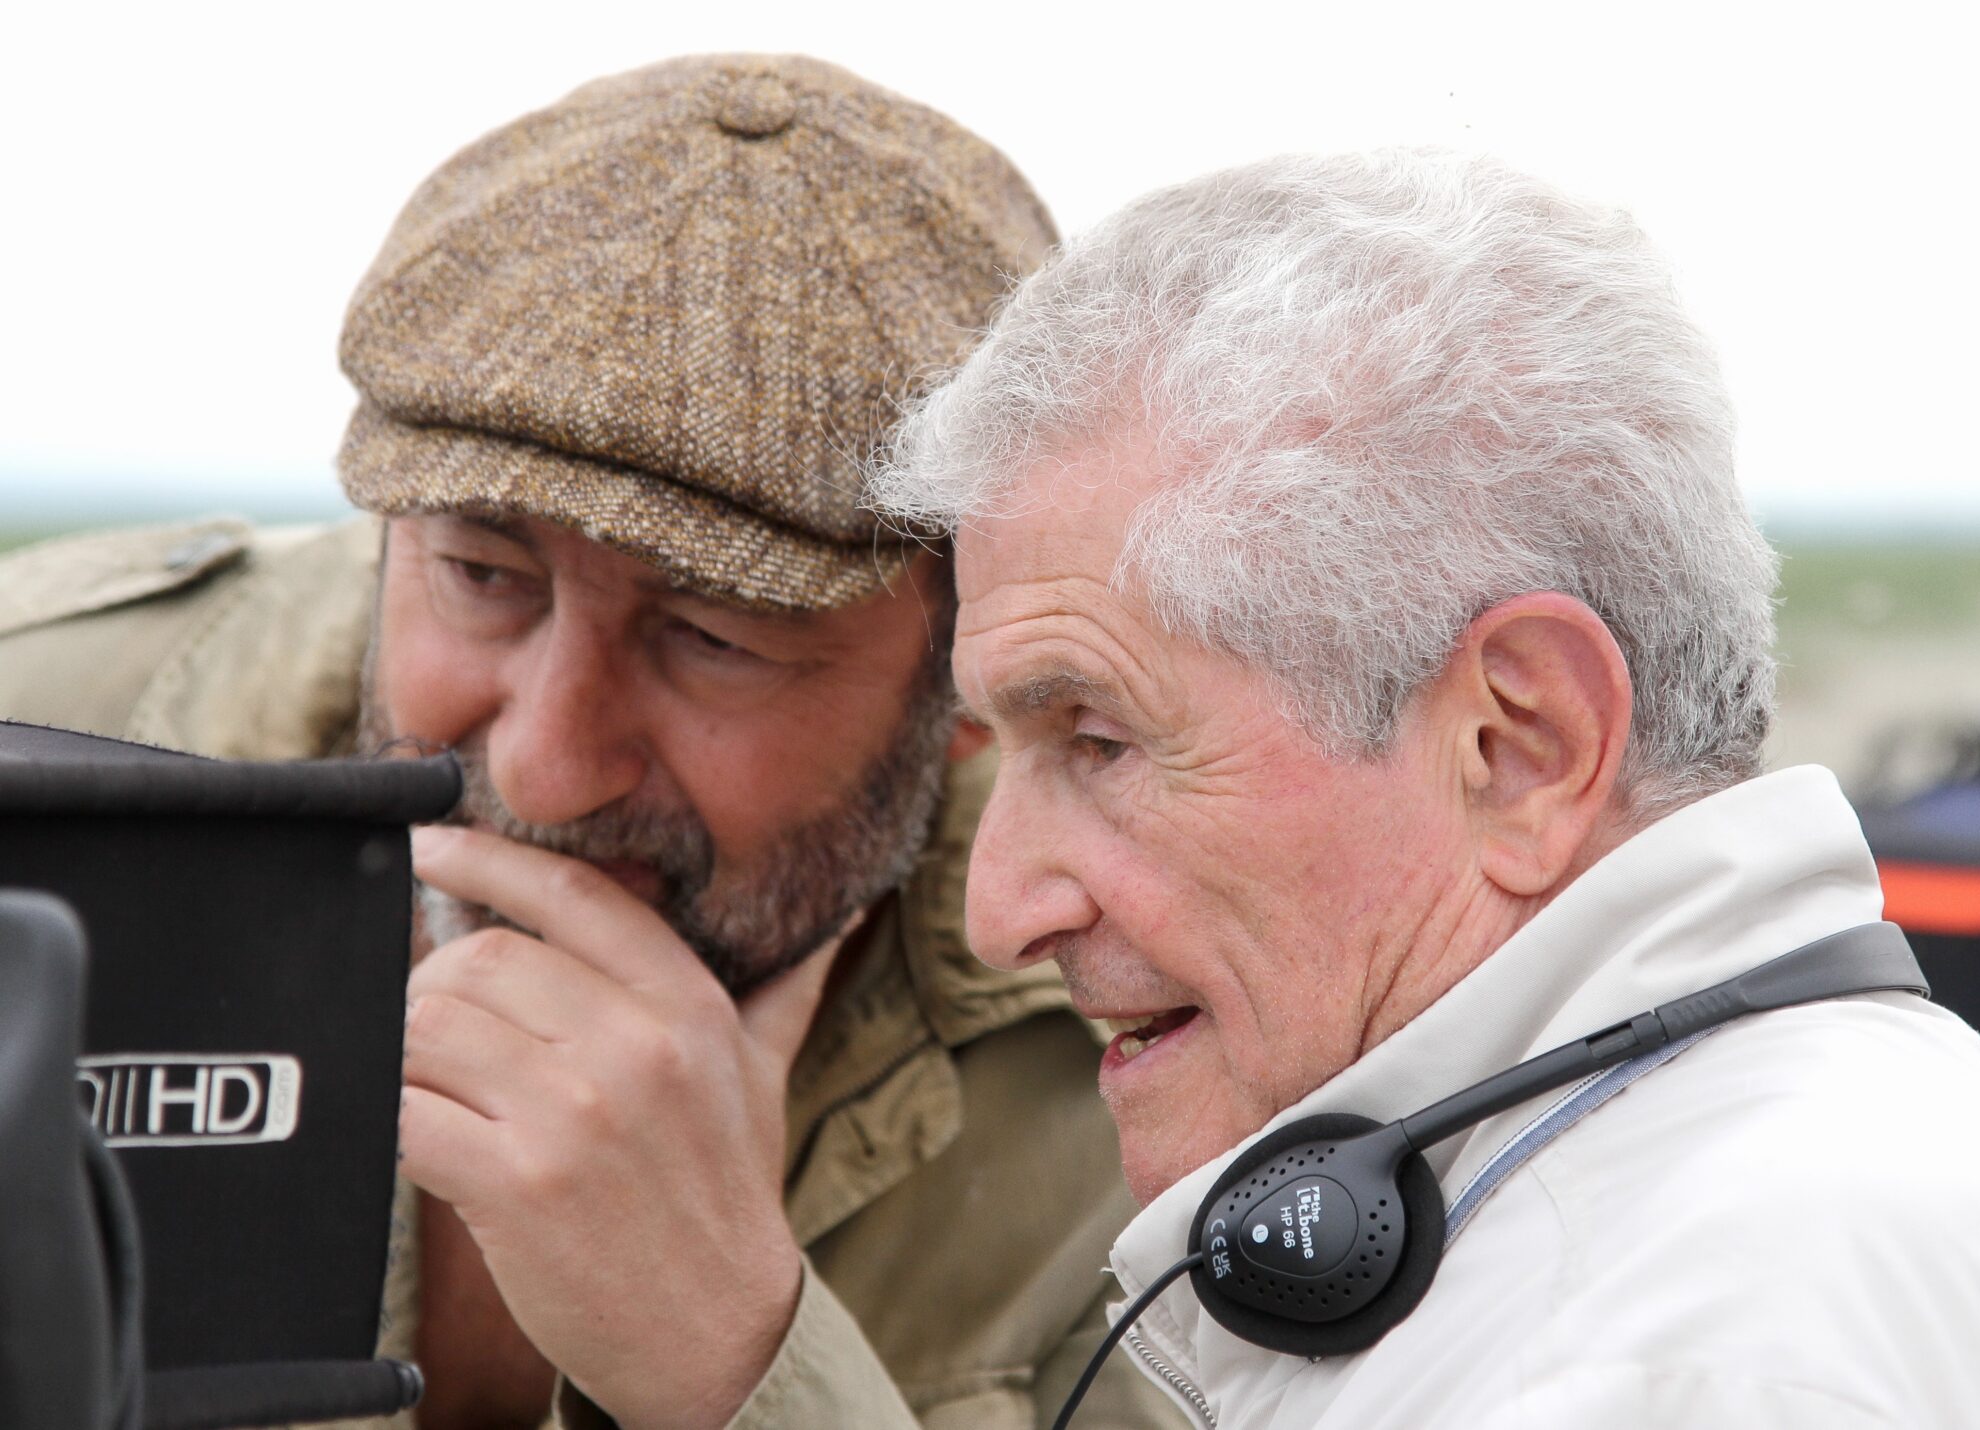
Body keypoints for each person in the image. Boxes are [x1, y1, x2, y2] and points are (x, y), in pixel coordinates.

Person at [0, 55, 1184, 1430]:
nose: (546, 771)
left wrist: (738, 1361)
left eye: (713, 639)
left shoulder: (1161, 1033)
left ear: (976, 677)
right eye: (483, 577)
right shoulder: (40, 743)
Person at [869, 150, 1980, 1426]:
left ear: (1518, 746)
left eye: (1098, 739)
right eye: (999, 748)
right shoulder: (1771, 1210)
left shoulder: (1653, 1367)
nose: (999, 909)